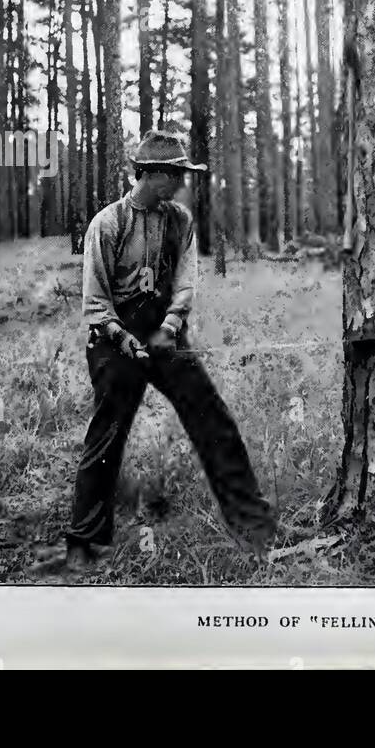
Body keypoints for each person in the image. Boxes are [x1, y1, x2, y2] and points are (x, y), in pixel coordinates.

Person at [56, 130, 276, 574]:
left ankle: (254, 527)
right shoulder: (109, 223)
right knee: (107, 437)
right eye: (175, 174)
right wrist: (125, 339)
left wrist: (171, 326)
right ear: (151, 174)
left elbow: (186, 281)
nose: (180, 183)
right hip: (113, 340)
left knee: (214, 420)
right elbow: (95, 303)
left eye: (182, 174)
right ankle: (83, 541)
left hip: (165, 336)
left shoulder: (180, 220)